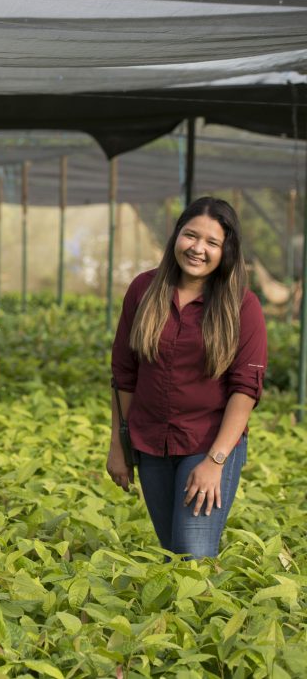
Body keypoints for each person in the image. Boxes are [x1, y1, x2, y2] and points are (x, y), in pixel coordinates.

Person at [108, 196, 266, 559]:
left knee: (193, 554)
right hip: (151, 444)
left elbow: (245, 390)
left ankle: (207, 615)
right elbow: (124, 375)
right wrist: (119, 444)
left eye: (212, 242)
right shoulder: (143, 291)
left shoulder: (242, 306)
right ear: (176, 235)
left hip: (208, 443)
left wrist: (215, 462)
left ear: (226, 250)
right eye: (190, 236)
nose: (198, 249)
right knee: (173, 554)